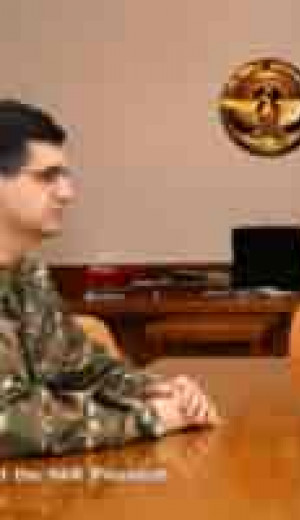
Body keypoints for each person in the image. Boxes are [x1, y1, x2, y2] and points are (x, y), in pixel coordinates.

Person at [0, 99, 219, 458]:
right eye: (46, 177)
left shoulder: (28, 274)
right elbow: (7, 423)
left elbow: (82, 368)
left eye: (65, 176)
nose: (67, 193)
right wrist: (148, 418)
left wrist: (157, 390)